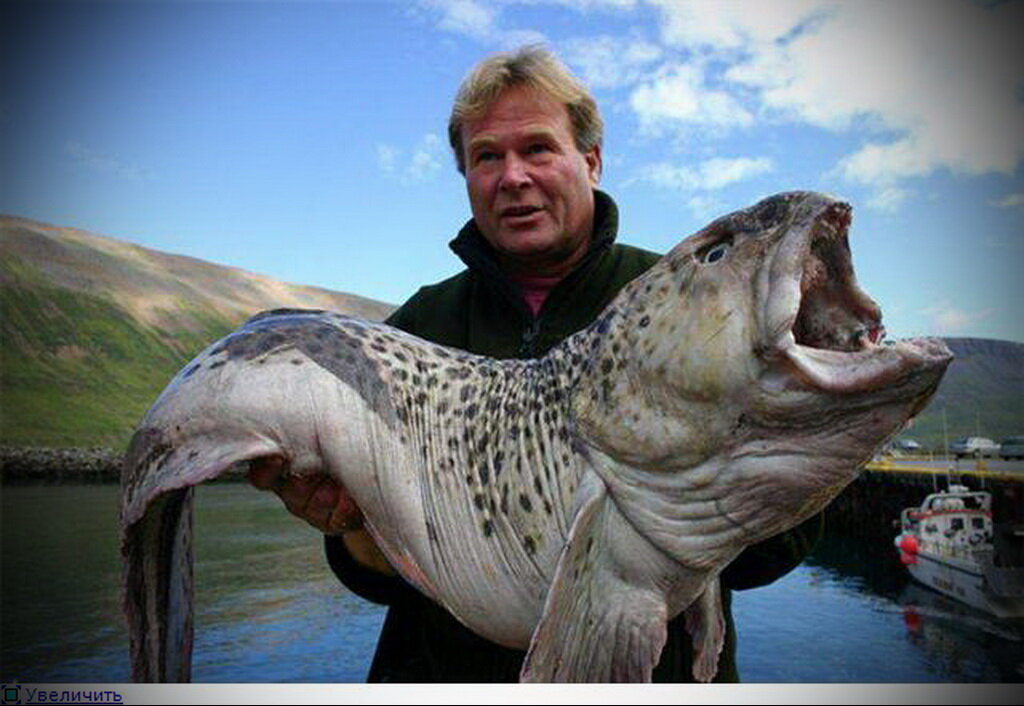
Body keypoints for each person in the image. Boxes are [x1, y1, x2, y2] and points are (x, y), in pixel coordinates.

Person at [248, 45, 823, 682]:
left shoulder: (690, 296)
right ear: (466, 175)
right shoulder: (418, 326)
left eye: (538, 149)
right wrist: (353, 522)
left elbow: (779, 552)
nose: (512, 176)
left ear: (592, 161)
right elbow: (373, 579)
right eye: (486, 156)